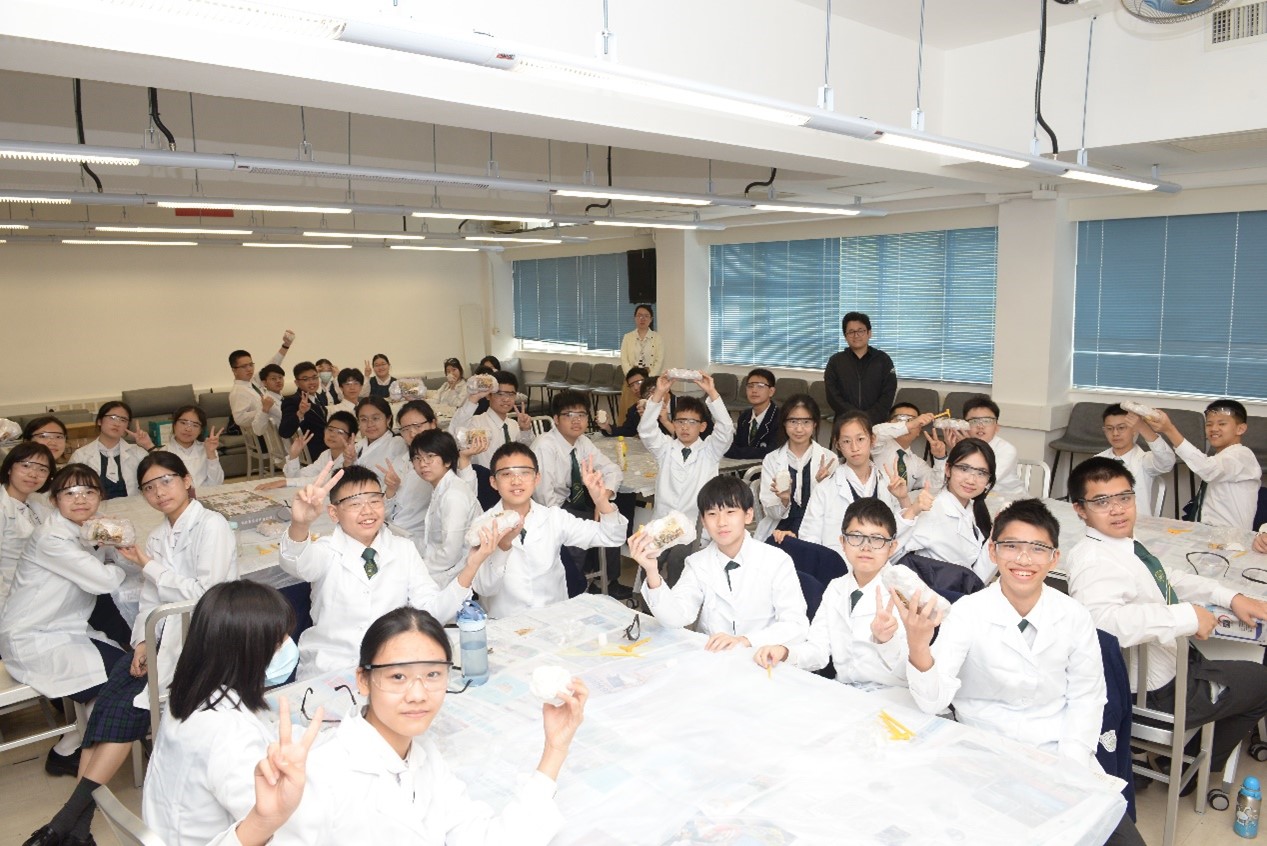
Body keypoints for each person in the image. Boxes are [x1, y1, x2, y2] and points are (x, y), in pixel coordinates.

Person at [901, 498, 1145, 845]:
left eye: (1037, 548)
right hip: (983, 751)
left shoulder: (1074, 616)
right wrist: (918, 647)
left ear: (1054, 558)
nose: (1024, 559)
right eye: (1012, 546)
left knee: (1122, 840)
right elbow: (932, 701)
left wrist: (1068, 772)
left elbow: (1087, 699)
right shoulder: (968, 612)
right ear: (993, 551)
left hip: (1058, 752)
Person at [26, 453, 238, 846]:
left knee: (127, 708)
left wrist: (146, 564)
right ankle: (77, 829)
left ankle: (66, 823)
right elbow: (148, 599)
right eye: (149, 487)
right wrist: (141, 640)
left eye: (166, 481)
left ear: (187, 480)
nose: (159, 493)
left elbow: (206, 594)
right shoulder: (156, 536)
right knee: (109, 700)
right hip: (162, 637)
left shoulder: (212, 526)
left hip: (206, 640)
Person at [260, 606, 587, 845]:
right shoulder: (321, 774)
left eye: (432, 674)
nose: (417, 695)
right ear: (363, 680)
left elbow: (485, 840)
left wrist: (555, 749)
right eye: (398, 676)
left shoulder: (423, 757)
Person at [1065, 456, 1267, 780]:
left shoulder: (1121, 544)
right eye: (1102, 502)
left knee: (1235, 666)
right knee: (1261, 681)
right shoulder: (1094, 562)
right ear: (1080, 509)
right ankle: (1188, 770)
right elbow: (1103, 623)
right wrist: (1187, 616)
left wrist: (1229, 596)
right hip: (1154, 692)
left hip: (1172, 663)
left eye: (1124, 497)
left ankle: (1165, 758)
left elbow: (1164, 575)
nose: (1117, 509)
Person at [280, 464, 490, 679]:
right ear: (334, 513)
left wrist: (471, 566)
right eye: (355, 504)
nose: (367, 511)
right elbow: (296, 563)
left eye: (374, 501)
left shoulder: (403, 549)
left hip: (391, 664)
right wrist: (299, 524)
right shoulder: (325, 550)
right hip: (330, 665)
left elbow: (431, 611)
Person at [141, 580, 309, 846]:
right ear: (247, 652)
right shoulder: (231, 735)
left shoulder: (189, 692)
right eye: (278, 642)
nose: (288, 646)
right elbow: (278, 826)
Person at [0, 465, 127, 782]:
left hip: (62, 629)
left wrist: (108, 549)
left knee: (124, 668)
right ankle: (73, 753)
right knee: (122, 677)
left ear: (100, 496)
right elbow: (103, 581)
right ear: (54, 500)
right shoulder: (52, 538)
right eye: (70, 492)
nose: (80, 499)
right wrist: (115, 562)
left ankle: (71, 748)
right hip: (33, 638)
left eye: (89, 492)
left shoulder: (82, 528)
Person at [755, 498, 918, 704]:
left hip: (893, 696)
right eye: (856, 537)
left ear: (892, 546)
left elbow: (914, 669)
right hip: (845, 691)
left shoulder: (905, 589)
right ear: (842, 542)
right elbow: (819, 650)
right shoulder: (835, 587)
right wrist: (786, 652)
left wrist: (887, 641)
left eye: (877, 539)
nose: (866, 547)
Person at [633, 475, 808, 651]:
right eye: (712, 514)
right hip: (714, 657)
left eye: (730, 512)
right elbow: (675, 618)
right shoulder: (697, 563)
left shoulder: (776, 560)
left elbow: (796, 625)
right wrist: (652, 571)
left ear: (748, 515)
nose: (721, 522)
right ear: (703, 521)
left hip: (761, 656)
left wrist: (746, 640)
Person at [472, 443, 628, 618]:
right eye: (507, 474)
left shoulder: (554, 518)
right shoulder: (481, 526)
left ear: (537, 478)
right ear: (493, 482)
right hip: (506, 624)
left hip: (554, 620)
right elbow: (484, 588)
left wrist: (601, 502)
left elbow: (612, 537)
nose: (516, 481)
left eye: (525, 473)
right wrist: (502, 546)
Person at [638, 371, 735, 583]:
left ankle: (678, 602)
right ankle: (649, 602)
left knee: (678, 559)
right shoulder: (665, 448)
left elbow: (726, 430)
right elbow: (646, 430)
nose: (684, 427)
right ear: (673, 423)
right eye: (680, 421)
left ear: (702, 426)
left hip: (694, 526)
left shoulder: (710, 451)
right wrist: (659, 393)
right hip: (665, 525)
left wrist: (711, 392)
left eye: (691, 422)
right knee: (649, 557)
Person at [531, 390, 624, 594]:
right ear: (556, 419)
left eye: (581, 415)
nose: (576, 421)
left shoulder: (582, 441)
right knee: (576, 532)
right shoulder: (545, 446)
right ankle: (572, 589)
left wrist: (603, 499)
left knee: (610, 515)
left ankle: (606, 582)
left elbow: (613, 470)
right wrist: (567, 523)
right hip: (548, 509)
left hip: (574, 501)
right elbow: (544, 498)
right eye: (569, 415)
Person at [797, 412, 914, 562]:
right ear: (838, 445)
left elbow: (899, 535)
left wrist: (903, 498)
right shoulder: (825, 488)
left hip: (878, 568)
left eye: (860, 439)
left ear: (872, 440)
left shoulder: (888, 484)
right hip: (836, 568)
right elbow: (809, 538)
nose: (854, 447)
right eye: (846, 441)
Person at [1145, 399, 1262, 530]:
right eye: (1209, 424)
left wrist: (1169, 430)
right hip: (1207, 533)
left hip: (1231, 538)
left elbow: (1208, 469)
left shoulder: (1243, 456)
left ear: (1240, 429)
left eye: (1222, 424)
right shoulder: (1218, 458)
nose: (1214, 429)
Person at [900, 438, 998, 582]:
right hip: (933, 593)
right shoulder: (932, 512)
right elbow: (890, 554)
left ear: (989, 480)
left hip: (965, 592)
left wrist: (998, 534)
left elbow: (976, 578)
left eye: (981, 473)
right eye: (964, 469)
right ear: (947, 469)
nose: (971, 480)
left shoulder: (973, 510)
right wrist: (909, 507)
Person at [755, 394, 836, 541]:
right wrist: (784, 500)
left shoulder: (829, 459)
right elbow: (771, 513)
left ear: (815, 424)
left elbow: (832, 509)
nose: (799, 429)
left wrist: (820, 485)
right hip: (779, 528)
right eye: (793, 421)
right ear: (784, 423)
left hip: (817, 529)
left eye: (806, 422)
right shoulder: (772, 459)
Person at [409, 431, 482, 587]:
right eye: (417, 458)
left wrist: (417, 570)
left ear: (448, 460)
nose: (423, 464)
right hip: (445, 570)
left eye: (430, 456)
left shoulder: (453, 495)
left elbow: (450, 554)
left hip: (457, 575)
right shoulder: (443, 488)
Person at [0, 442, 55, 615]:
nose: (33, 474)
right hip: (9, 594)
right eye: (26, 465)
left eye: (42, 469)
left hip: (36, 585)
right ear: (9, 468)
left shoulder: (34, 504)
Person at [1095, 404, 1175, 518]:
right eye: (1109, 429)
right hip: (1104, 522)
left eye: (1121, 428)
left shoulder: (1144, 460)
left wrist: (1143, 427)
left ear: (1134, 430)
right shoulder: (1096, 461)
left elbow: (1167, 462)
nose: (1115, 433)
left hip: (1138, 523)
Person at [823, 312, 897, 426]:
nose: (856, 335)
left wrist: (868, 418)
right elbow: (833, 396)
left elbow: (888, 393)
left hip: (877, 423)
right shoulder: (835, 361)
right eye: (851, 332)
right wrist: (854, 416)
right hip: (845, 422)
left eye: (860, 330)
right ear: (845, 336)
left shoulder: (883, 360)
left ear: (869, 333)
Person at [68, 401, 155, 499]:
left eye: (123, 420)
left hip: (134, 506)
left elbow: (163, 473)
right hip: (94, 507)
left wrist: (148, 445)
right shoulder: (80, 456)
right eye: (112, 417)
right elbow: (69, 490)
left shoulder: (138, 453)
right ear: (99, 421)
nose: (117, 423)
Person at [450, 370, 535, 469]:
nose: (506, 399)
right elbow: (454, 433)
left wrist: (525, 430)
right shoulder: (476, 423)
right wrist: (474, 398)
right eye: (500, 394)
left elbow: (527, 452)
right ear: (488, 395)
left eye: (510, 394)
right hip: (484, 476)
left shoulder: (514, 424)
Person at [257, 411, 358, 492]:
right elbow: (298, 477)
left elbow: (324, 481)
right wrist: (293, 455)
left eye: (340, 432)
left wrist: (286, 482)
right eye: (330, 429)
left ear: (350, 438)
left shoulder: (350, 458)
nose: (332, 435)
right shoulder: (326, 454)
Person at [228, 331, 293, 439]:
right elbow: (239, 419)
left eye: (251, 365)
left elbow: (272, 365)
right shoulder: (238, 391)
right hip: (263, 435)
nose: (249, 369)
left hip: (273, 428)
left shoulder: (252, 382)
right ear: (234, 370)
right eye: (244, 366)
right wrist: (264, 409)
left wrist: (286, 345)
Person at [961, 394, 1025, 499]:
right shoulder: (961, 446)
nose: (980, 426)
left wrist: (966, 451)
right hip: (976, 498)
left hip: (1010, 500)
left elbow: (985, 480)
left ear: (997, 427)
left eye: (987, 421)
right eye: (974, 421)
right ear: (964, 426)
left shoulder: (1007, 450)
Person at [871, 403, 938, 493]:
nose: (907, 424)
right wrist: (910, 424)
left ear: (919, 431)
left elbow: (936, 484)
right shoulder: (877, 445)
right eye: (900, 419)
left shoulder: (917, 463)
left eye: (912, 420)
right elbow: (875, 432)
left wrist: (940, 458)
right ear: (888, 424)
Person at [161, 405, 225, 489]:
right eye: (183, 423)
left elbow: (217, 483)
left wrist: (211, 454)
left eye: (195, 425)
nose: (188, 429)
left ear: (201, 430)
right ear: (174, 424)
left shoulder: (207, 449)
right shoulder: (163, 453)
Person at [278, 362, 328, 464]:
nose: (312, 382)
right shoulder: (293, 401)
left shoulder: (320, 397)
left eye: (314, 377)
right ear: (297, 383)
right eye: (305, 379)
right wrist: (300, 413)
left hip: (327, 445)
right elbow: (284, 432)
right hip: (316, 452)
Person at [725, 368, 779, 460]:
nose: (754, 390)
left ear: (771, 391)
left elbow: (772, 451)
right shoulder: (744, 417)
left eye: (760, 386)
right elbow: (735, 445)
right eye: (750, 386)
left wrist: (738, 452)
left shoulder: (780, 418)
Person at [353, 397, 408, 481]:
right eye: (364, 419)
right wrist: (348, 462)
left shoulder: (398, 444)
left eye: (375, 418)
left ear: (388, 419)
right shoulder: (357, 446)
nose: (369, 424)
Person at [596, 367, 648, 437]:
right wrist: (607, 427)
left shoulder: (661, 403)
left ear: (648, 381)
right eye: (631, 385)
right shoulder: (634, 410)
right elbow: (627, 431)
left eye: (639, 382)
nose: (635, 388)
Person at [620, 304, 663, 377]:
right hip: (632, 377)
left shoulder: (658, 338)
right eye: (639, 315)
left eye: (646, 316)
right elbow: (624, 360)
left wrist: (649, 378)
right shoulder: (627, 337)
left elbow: (659, 361)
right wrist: (632, 377)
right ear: (635, 318)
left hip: (651, 378)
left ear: (651, 319)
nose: (642, 318)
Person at [258, 364, 286, 429]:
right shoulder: (266, 401)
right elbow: (257, 429)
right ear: (264, 383)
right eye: (273, 378)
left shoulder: (280, 397)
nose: (278, 381)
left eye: (280, 377)